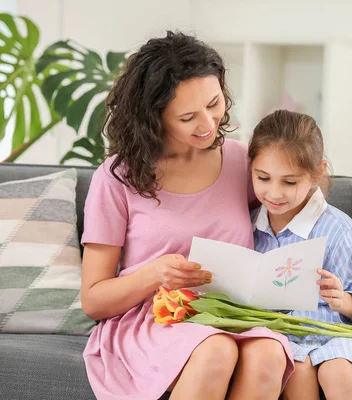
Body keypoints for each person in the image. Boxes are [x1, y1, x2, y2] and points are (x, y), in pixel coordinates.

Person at [80, 31, 293, 400]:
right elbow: (94, 300)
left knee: (269, 353)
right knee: (215, 349)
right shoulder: (117, 178)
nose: (208, 124)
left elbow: (298, 208)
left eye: (214, 104)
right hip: (157, 318)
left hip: (233, 313)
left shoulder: (245, 163)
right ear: (154, 117)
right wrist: (154, 273)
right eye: (188, 116)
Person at [248, 110, 352, 400]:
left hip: (340, 338)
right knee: (298, 369)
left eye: (289, 182)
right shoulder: (249, 226)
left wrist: (347, 301)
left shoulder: (338, 231)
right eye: (263, 178)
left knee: (335, 370)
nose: (274, 193)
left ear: (317, 172)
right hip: (290, 343)